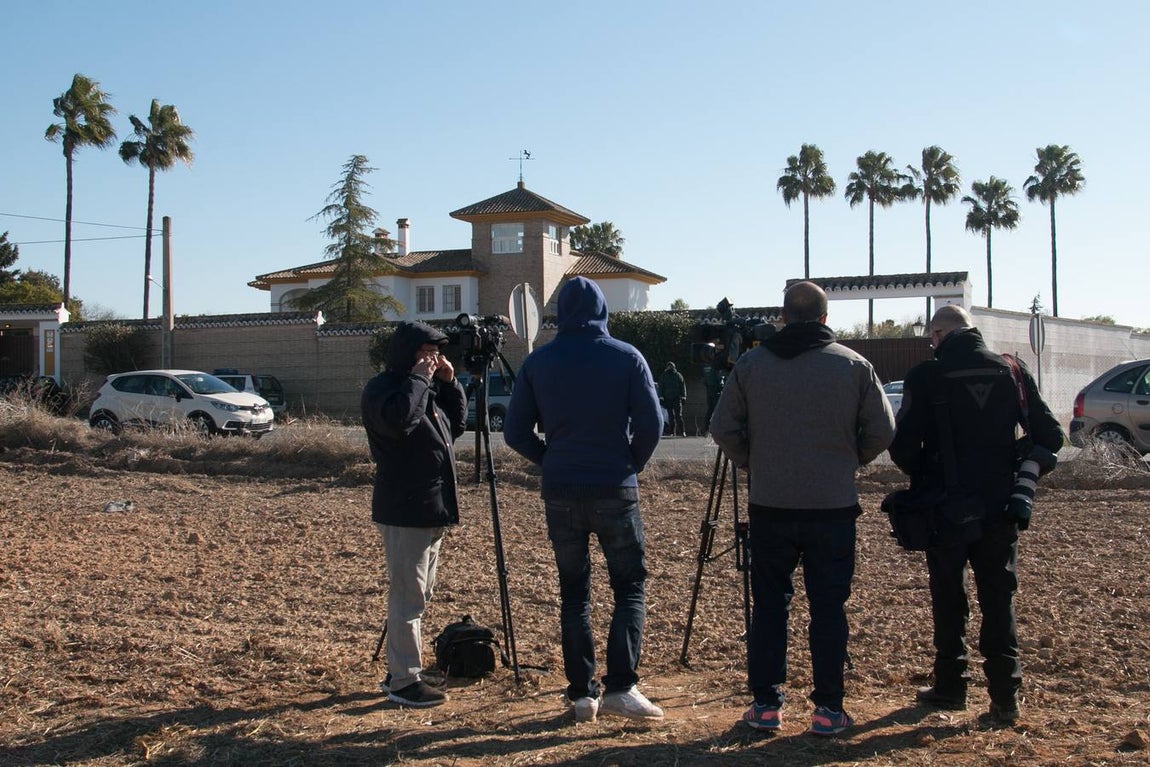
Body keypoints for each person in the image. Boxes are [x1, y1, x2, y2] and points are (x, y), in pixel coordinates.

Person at [709, 281, 895, 736]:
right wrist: (850, 460)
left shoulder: (752, 365)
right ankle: (829, 709)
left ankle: (766, 705)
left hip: (770, 505)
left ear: (783, 317)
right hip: (832, 507)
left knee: (770, 606)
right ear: (825, 319)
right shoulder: (854, 366)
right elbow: (883, 431)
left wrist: (755, 461)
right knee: (829, 608)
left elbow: (722, 427)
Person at [889, 304, 1063, 724]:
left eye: (932, 337)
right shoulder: (1012, 370)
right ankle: (1005, 697)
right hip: (1002, 505)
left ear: (938, 335)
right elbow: (1051, 437)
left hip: (944, 507)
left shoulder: (927, 375)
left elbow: (902, 446)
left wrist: (929, 476)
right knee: (998, 598)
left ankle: (951, 687)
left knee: (949, 597)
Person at [503, 276, 664, 723]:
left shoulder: (539, 362)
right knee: (629, 586)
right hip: (615, 485)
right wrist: (629, 463)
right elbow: (652, 426)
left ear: (560, 313)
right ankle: (622, 687)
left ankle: (581, 694)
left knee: (575, 592)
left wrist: (550, 460)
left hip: (561, 490)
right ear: (602, 310)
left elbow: (514, 432)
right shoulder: (627, 357)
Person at [361, 321, 468, 708]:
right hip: (404, 509)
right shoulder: (384, 390)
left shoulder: (421, 389)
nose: (431, 359)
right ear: (407, 353)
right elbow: (401, 421)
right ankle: (404, 680)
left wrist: (450, 384)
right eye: (425, 352)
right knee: (408, 596)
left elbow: (453, 429)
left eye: (435, 353)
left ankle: (402, 668)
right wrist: (422, 381)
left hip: (430, 508)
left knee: (419, 594)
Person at [658, 362, 688, 437]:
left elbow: (682, 386)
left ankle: (682, 431)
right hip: (668, 398)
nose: (670, 368)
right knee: (671, 416)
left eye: (671, 367)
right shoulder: (664, 376)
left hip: (677, 398)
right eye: (669, 367)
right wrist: (661, 397)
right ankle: (671, 432)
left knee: (678, 416)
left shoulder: (678, 375)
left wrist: (684, 396)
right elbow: (661, 387)